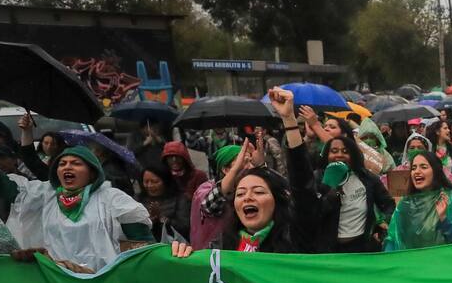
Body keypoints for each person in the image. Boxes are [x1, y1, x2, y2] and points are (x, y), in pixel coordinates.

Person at [0, 125, 152, 271]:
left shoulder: (113, 199)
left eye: (76, 163)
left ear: (92, 172)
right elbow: (1, 186)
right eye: (62, 164)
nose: (67, 167)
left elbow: (144, 246)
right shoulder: (44, 195)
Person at [173, 87, 317, 256]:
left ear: (277, 200)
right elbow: (211, 204)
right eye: (240, 194)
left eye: (258, 191)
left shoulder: (293, 235)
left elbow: (301, 186)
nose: (248, 197)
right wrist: (184, 257)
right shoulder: (224, 244)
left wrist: (289, 120)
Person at [384, 149, 452, 251]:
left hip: (447, 264)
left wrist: (444, 221)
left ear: (436, 171)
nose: (417, 172)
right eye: (413, 168)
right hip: (414, 265)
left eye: (423, 167)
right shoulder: (405, 204)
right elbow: (392, 240)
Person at [315, 134, 396, 252]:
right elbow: (312, 214)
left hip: (361, 249)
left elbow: (388, 205)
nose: (339, 155)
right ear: (327, 155)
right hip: (328, 251)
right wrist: (332, 190)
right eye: (334, 151)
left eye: (345, 151)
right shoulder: (318, 179)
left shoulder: (368, 179)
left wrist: (380, 225)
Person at [137, 164, 191, 243]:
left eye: (154, 182)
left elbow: (185, 228)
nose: (149, 185)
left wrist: (162, 219)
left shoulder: (180, 199)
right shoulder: (138, 200)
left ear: (165, 181)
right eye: (146, 182)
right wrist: (149, 221)